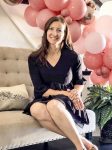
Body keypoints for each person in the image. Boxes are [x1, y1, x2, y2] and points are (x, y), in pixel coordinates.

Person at [23, 16, 98, 150]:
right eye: (51, 29)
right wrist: (66, 93)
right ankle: (83, 141)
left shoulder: (73, 56)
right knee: (35, 109)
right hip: (45, 96)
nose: (54, 33)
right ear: (46, 32)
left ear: (64, 35)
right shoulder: (34, 58)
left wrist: (75, 93)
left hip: (65, 99)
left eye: (59, 30)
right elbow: (40, 88)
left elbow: (79, 81)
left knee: (53, 105)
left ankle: (79, 147)